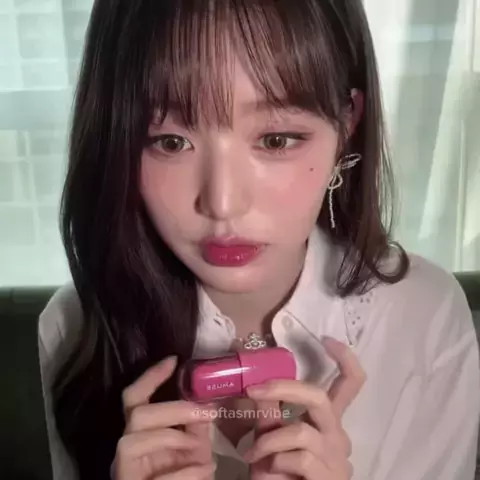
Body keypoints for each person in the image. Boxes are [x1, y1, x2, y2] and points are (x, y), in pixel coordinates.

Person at [38, 0, 480, 479]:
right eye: (170, 141)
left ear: (347, 124)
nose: (223, 203)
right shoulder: (74, 327)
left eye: (276, 139)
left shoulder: (423, 316)